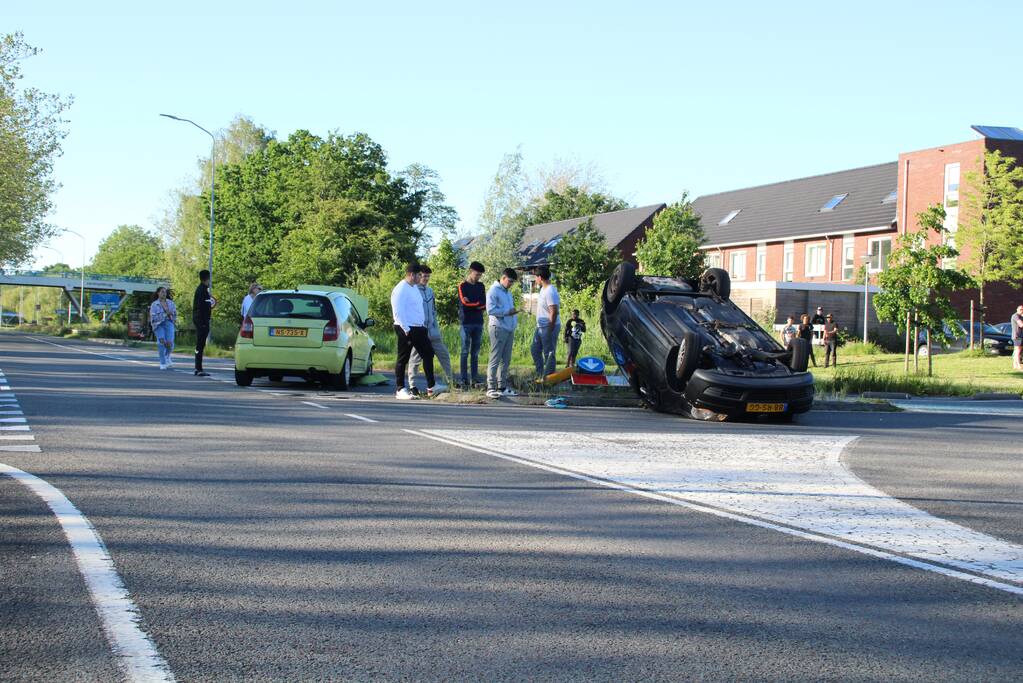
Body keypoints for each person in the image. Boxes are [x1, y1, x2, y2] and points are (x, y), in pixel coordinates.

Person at [391, 263, 438, 400]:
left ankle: (431, 386)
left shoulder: (414, 288)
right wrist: (406, 329)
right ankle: (400, 389)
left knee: (428, 353)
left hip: (419, 327)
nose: (421, 277)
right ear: (412, 275)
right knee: (403, 358)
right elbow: (397, 311)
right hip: (406, 328)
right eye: (419, 275)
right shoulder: (401, 289)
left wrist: (422, 324)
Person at [408, 266, 451, 393]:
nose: (425, 278)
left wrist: (436, 328)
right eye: (423, 276)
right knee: (415, 358)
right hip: (419, 329)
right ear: (418, 276)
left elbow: (433, 310)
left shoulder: (430, 291)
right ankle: (412, 385)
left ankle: (451, 381)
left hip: (432, 330)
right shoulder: (413, 291)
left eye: (428, 276)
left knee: (444, 354)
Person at [486, 268, 519, 399]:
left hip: (508, 328)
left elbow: (508, 310)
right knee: (495, 358)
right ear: (503, 278)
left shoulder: (507, 293)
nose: (511, 284)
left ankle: (502, 386)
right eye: (510, 281)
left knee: (506, 359)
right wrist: (507, 312)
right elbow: (491, 310)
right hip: (498, 328)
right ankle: (490, 387)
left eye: (512, 282)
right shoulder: (493, 291)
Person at [457, 261, 487, 387]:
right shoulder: (462, 286)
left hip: (478, 322)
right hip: (466, 323)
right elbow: (465, 304)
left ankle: (474, 379)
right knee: (464, 351)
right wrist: (477, 304)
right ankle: (464, 378)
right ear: (470, 271)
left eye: (480, 275)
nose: (478, 277)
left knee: (475, 353)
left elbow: (485, 305)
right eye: (477, 274)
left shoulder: (481, 286)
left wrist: (474, 304)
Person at [530, 266, 561, 378]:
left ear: (540, 277)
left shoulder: (550, 291)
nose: (535, 279)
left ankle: (549, 377)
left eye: (536, 277)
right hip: (540, 327)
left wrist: (550, 328)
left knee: (549, 353)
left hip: (549, 326)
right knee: (535, 350)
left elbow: (554, 312)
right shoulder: (543, 289)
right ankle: (540, 373)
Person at [192, 269, 217, 377]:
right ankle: (198, 368)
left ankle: (198, 367)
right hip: (201, 320)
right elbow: (201, 307)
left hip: (201, 320)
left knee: (200, 344)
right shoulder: (202, 290)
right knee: (200, 344)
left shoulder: (203, 289)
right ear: (207, 278)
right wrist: (203, 321)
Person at [149, 286, 177, 370]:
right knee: (161, 342)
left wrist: (171, 315)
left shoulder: (171, 303)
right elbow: (154, 317)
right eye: (162, 292)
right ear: (158, 293)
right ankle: (162, 362)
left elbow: (174, 314)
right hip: (158, 325)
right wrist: (165, 314)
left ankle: (167, 356)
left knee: (170, 343)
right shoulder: (154, 304)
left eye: (165, 292)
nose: (164, 293)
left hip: (169, 323)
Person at [1011, 304, 1023, 371]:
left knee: (1017, 351)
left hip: (1020, 336)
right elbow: (1021, 325)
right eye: (1020, 309)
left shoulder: (1021, 316)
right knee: (1017, 351)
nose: (1021, 311)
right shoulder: (1015, 316)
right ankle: (1018, 365)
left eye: (1022, 310)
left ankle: (1015, 365)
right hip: (1017, 336)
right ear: (1017, 309)